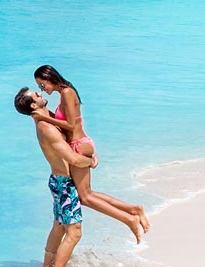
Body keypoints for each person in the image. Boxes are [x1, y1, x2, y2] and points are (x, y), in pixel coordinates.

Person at [33, 64, 150, 238]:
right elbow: (61, 119)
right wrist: (41, 115)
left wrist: (42, 117)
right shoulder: (64, 93)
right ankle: (133, 210)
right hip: (79, 144)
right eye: (39, 88)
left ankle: (129, 219)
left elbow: (71, 125)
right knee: (87, 194)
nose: (42, 90)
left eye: (43, 85)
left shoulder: (67, 92)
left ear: (50, 77)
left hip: (79, 144)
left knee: (85, 197)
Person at [13, 86, 94, 267]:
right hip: (64, 184)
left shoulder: (45, 119)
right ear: (34, 104)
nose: (41, 94)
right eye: (37, 94)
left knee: (59, 227)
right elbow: (73, 159)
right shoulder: (46, 127)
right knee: (74, 232)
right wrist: (91, 161)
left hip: (58, 181)